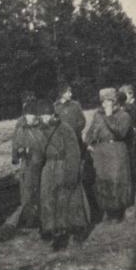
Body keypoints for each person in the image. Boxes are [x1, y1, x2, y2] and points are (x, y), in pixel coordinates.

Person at [37, 99, 90, 250]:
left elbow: (74, 152)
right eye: (42, 116)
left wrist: (72, 173)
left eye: (47, 115)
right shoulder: (39, 130)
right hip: (48, 168)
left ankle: (77, 230)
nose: (45, 118)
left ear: (53, 114)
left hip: (63, 165)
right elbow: (38, 153)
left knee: (69, 200)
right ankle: (55, 232)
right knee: (48, 200)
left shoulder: (65, 128)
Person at [85, 88, 133, 220]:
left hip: (116, 150)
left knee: (116, 181)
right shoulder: (98, 115)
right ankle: (106, 210)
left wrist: (109, 116)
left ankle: (117, 212)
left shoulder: (124, 115)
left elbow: (120, 133)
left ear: (115, 101)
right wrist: (89, 142)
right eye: (103, 101)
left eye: (108, 101)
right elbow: (91, 130)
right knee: (102, 181)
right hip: (101, 151)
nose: (105, 104)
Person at [11, 99, 46, 227]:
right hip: (26, 164)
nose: (29, 117)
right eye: (27, 114)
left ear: (36, 115)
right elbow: (16, 144)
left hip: (39, 164)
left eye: (31, 114)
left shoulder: (42, 128)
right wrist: (17, 155)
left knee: (38, 191)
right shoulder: (22, 128)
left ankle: (39, 217)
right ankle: (28, 218)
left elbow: (44, 145)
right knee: (26, 192)